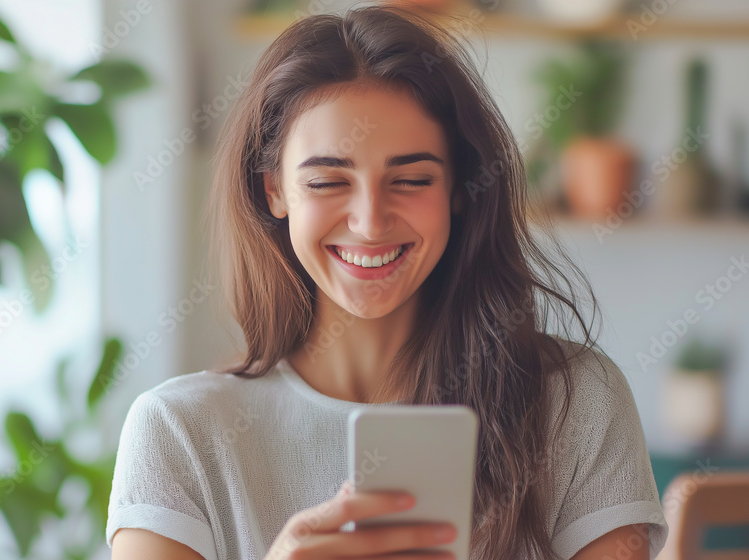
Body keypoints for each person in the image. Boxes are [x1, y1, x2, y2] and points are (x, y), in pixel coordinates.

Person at [106, 4, 668, 559]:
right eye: (328, 181)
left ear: (458, 188)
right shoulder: (179, 433)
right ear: (273, 190)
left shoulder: (577, 403)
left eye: (412, 179)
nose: (370, 222)